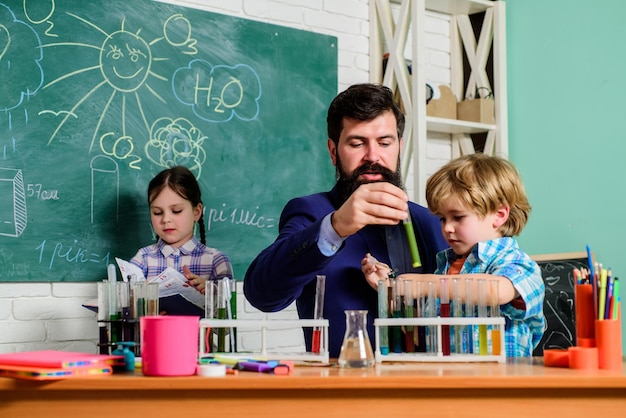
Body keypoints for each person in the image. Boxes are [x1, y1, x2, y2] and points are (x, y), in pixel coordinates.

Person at [244, 83, 448, 358]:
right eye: (356, 143)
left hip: (425, 388)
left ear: (399, 147)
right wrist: (336, 227)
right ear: (333, 151)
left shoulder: (430, 221)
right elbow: (262, 295)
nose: (373, 156)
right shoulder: (310, 212)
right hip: (340, 390)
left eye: (384, 142)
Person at [363, 153, 545, 357]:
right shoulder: (445, 266)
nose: (447, 227)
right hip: (447, 381)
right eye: (442, 219)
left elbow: (498, 290)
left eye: (458, 217)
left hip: (499, 384)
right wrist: (391, 289)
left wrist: (424, 284)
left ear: (499, 215)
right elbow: (419, 333)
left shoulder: (516, 262)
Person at [130, 166, 234, 316]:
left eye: (176, 211)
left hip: (199, 339)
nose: (166, 219)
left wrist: (211, 291)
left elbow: (228, 320)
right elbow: (128, 310)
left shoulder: (216, 261)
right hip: (155, 338)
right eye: (157, 212)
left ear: (196, 212)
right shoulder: (143, 259)